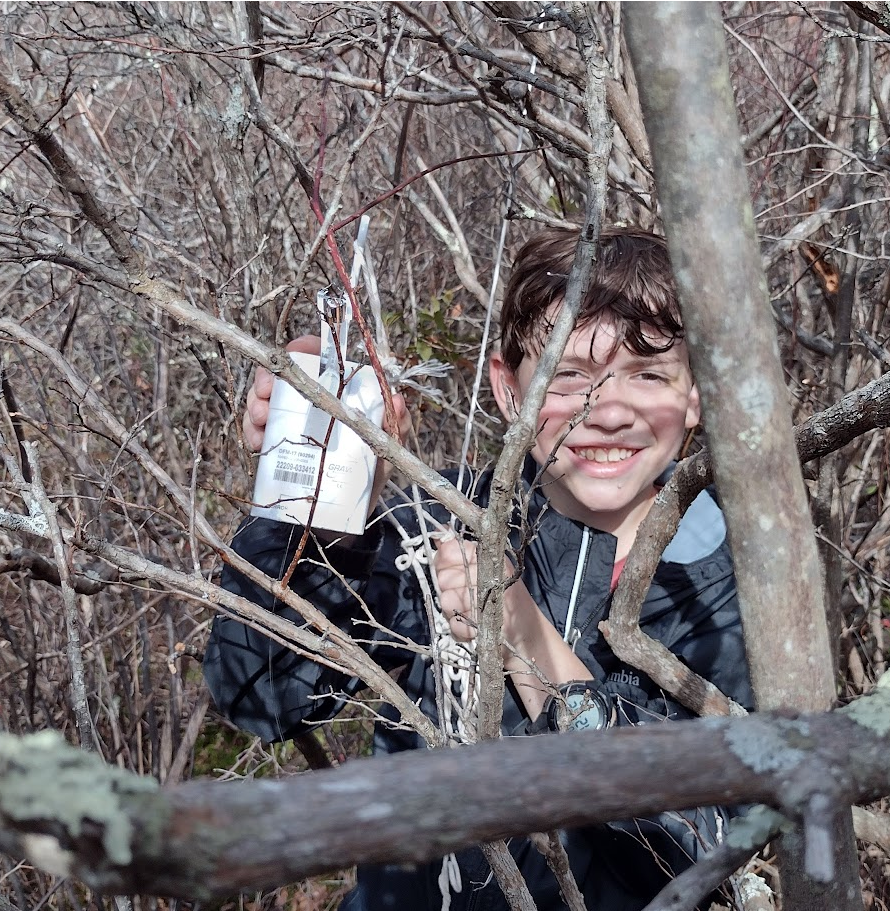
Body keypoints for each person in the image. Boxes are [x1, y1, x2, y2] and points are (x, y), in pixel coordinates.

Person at [204, 225, 755, 911]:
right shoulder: (434, 524)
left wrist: (531, 647)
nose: (610, 412)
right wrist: (314, 505)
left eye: (648, 374)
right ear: (507, 388)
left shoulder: (731, 592)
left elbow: (711, 857)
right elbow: (263, 697)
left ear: (697, 392)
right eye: (567, 375)